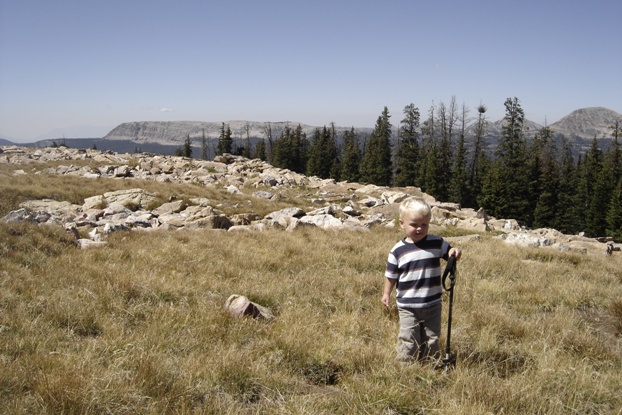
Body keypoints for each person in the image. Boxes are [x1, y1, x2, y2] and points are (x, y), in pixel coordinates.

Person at [381, 196, 462, 362]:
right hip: (408, 305)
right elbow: (391, 275)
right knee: (409, 337)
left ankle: (430, 362)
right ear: (401, 224)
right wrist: (386, 294)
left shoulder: (436, 243)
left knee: (432, 336)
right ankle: (406, 364)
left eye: (424, 224)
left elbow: (449, 253)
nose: (419, 229)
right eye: (414, 225)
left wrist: (454, 251)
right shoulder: (397, 251)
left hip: (433, 302)